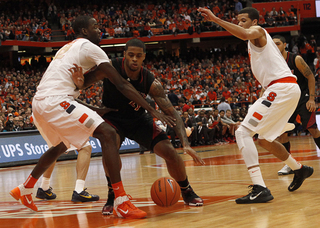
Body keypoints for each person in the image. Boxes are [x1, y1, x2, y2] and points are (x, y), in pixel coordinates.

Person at [9, 15, 173, 219]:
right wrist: (151, 108)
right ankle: (120, 201)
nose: (99, 29)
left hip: (41, 102)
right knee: (108, 132)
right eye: (95, 26)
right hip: (55, 100)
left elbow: (73, 88)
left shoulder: (68, 48)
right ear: (85, 31)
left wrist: (92, 105)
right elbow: (121, 84)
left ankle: (25, 189)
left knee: (60, 145)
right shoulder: (91, 47)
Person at [72, 39, 204, 215]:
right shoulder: (110, 67)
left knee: (170, 152)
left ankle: (186, 190)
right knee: (109, 150)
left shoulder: (150, 81)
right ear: (125, 54)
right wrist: (97, 109)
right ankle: (113, 194)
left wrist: (186, 144)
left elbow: (173, 114)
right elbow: (75, 89)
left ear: (144, 58)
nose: (134, 59)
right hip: (113, 118)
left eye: (138, 56)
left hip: (139, 120)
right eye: (131, 55)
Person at [198, 7, 313, 204]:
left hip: (282, 89)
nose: (240, 23)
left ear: (253, 22)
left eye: (243, 20)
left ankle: (260, 188)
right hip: (280, 90)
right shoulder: (254, 44)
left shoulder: (258, 31)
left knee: (242, 133)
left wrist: (216, 19)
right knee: (264, 140)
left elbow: (243, 33)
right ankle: (299, 169)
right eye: (238, 20)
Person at [273, 35, 320, 175]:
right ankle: (289, 165)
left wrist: (312, 99)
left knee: (312, 129)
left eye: (278, 44)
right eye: (273, 44)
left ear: (285, 45)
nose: (276, 46)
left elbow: (310, 77)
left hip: (302, 97)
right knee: (283, 133)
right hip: (286, 100)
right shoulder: (272, 63)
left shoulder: (296, 59)